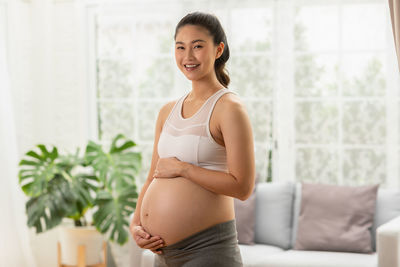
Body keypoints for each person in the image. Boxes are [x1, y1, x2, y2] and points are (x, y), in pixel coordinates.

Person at [130, 11, 255, 267]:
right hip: (163, 253)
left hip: (208, 250)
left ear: (218, 49)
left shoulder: (229, 108)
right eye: (180, 47)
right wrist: (136, 224)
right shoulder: (167, 111)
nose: (188, 56)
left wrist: (184, 169)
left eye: (198, 46)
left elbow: (242, 187)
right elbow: (153, 175)